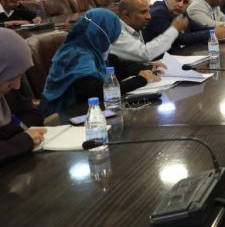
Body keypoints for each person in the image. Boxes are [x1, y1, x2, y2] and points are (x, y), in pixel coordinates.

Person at [40, 9, 159, 116]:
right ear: (102, 33)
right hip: (62, 115)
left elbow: (117, 66)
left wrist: (146, 67)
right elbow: (98, 90)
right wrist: (140, 80)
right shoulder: (76, 54)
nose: (114, 40)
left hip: (87, 110)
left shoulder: (93, 49)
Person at [0, 28, 46, 164]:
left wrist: (5, 133)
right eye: (11, 77)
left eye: (20, 75)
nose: (17, 86)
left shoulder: (5, 93)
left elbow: (34, 115)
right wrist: (22, 141)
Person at [144, 0, 225, 49]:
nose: (181, 5)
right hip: (161, 61)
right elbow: (179, 39)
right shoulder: (157, 13)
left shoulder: (179, 11)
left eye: (185, 2)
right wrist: (212, 33)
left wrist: (218, 29)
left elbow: (196, 27)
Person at [110, 0, 187, 62]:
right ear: (126, 15)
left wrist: (147, 65)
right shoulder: (117, 33)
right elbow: (145, 54)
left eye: (148, 11)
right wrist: (174, 29)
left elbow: (134, 57)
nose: (149, 17)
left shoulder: (135, 26)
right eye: (143, 12)